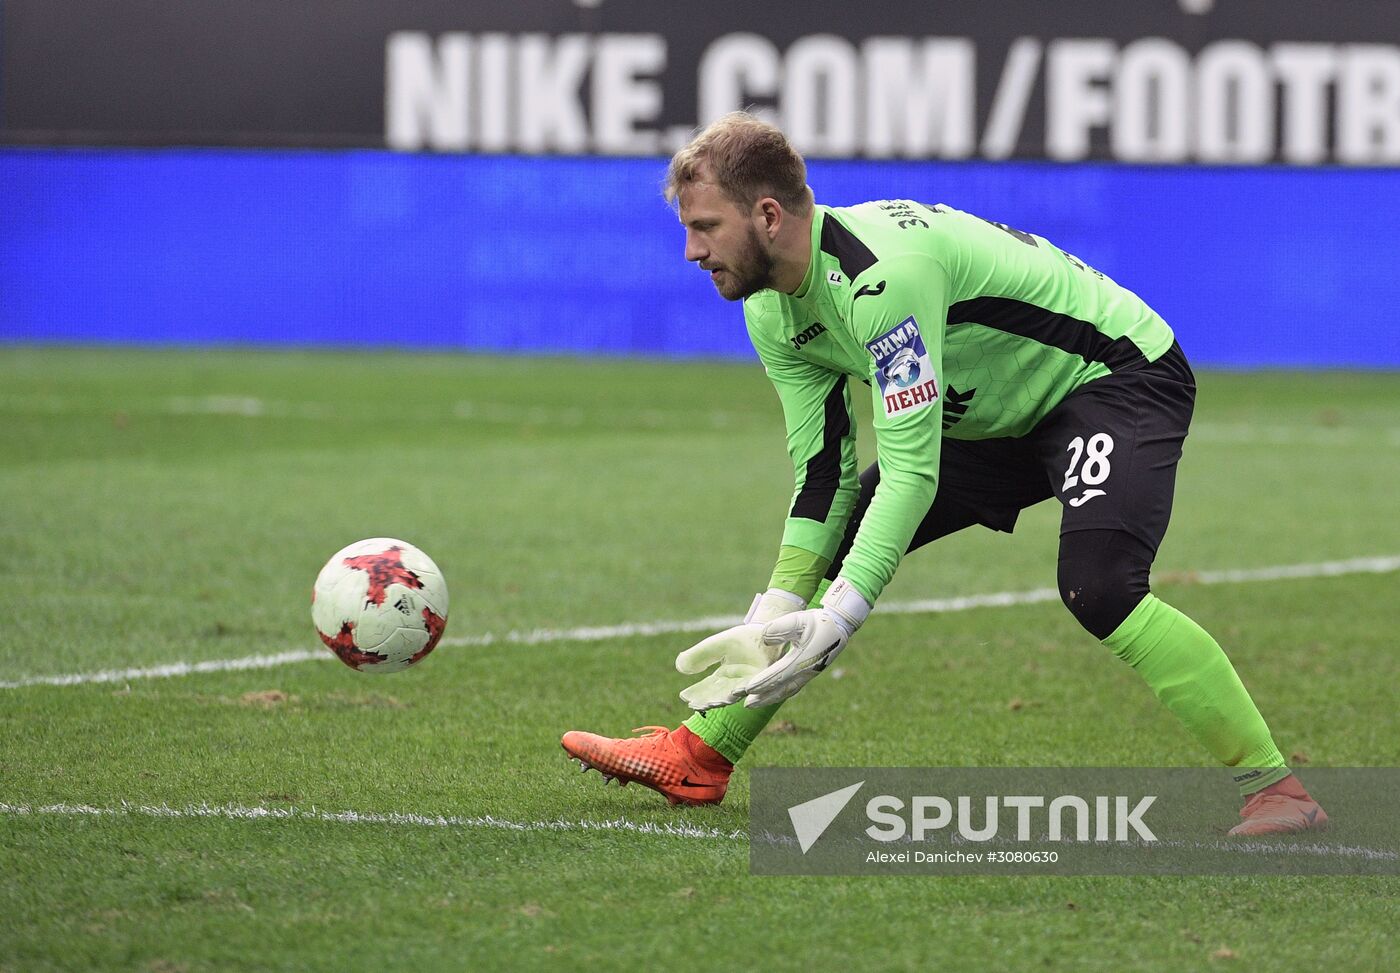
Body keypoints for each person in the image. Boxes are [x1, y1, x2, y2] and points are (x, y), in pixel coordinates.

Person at [561, 112, 1325, 836]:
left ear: (767, 216)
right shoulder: (769, 305)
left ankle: (1276, 789)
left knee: (1101, 585)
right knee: (842, 539)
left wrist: (841, 616)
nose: (692, 252)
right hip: (994, 410)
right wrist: (779, 604)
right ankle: (698, 756)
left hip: (1109, 377)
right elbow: (823, 474)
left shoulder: (884, 278)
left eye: (704, 227)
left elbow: (911, 471)